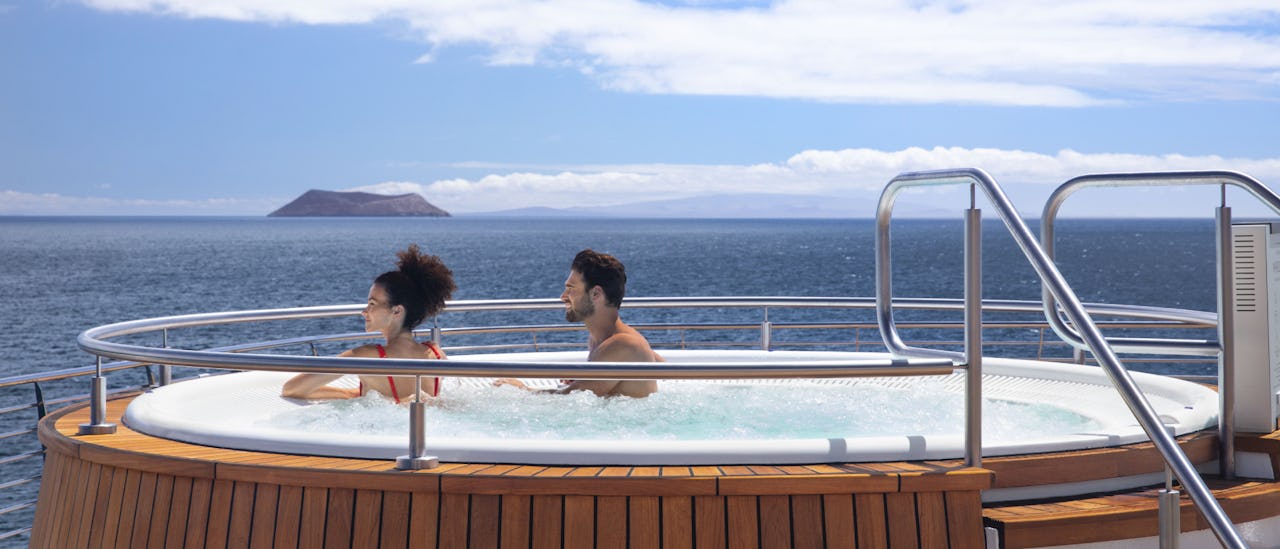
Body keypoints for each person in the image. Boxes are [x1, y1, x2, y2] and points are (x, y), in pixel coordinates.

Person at [282, 244, 455, 402]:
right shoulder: (435, 352)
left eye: (372, 304)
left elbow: (291, 389)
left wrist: (358, 396)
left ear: (397, 311)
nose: (364, 311)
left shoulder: (365, 356)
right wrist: (357, 394)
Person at [496, 249, 662, 398]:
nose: (563, 296)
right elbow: (656, 363)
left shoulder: (623, 343)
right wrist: (584, 379)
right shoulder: (601, 340)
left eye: (571, 289)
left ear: (596, 293)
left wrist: (522, 389)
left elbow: (567, 401)